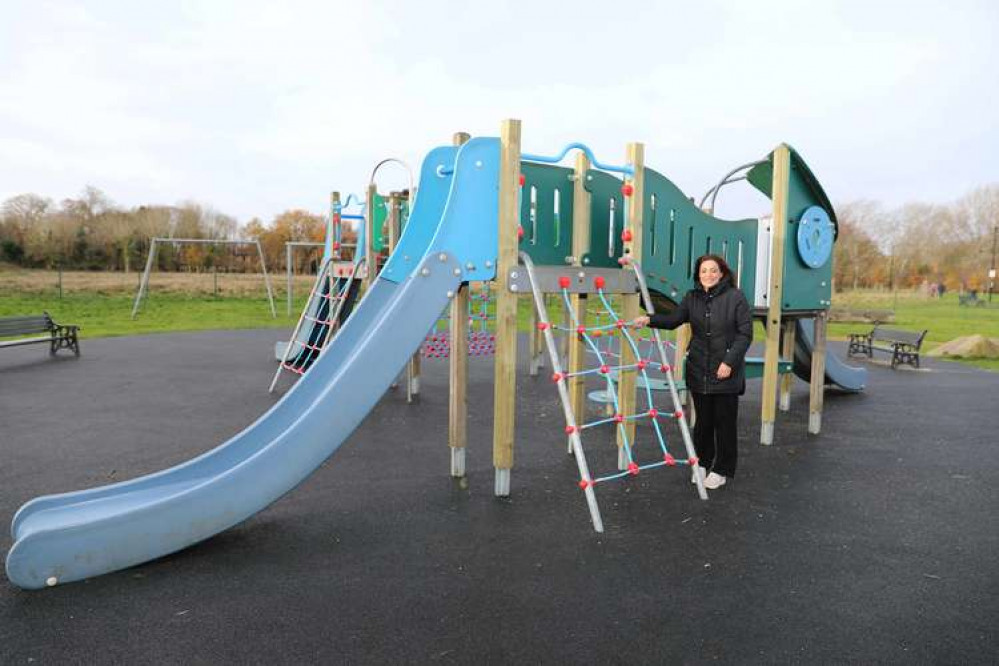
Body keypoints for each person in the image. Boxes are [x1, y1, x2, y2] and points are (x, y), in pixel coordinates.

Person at [632, 254, 753, 490]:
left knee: (724, 423)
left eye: (713, 270)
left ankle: (721, 469)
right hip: (700, 369)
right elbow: (673, 320)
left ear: (722, 273)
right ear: (698, 274)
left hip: (725, 371)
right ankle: (701, 463)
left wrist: (729, 361)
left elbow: (745, 334)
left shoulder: (735, 297)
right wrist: (648, 319)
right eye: (703, 270)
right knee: (703, 422)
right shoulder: (692, 298)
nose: (708, 274)